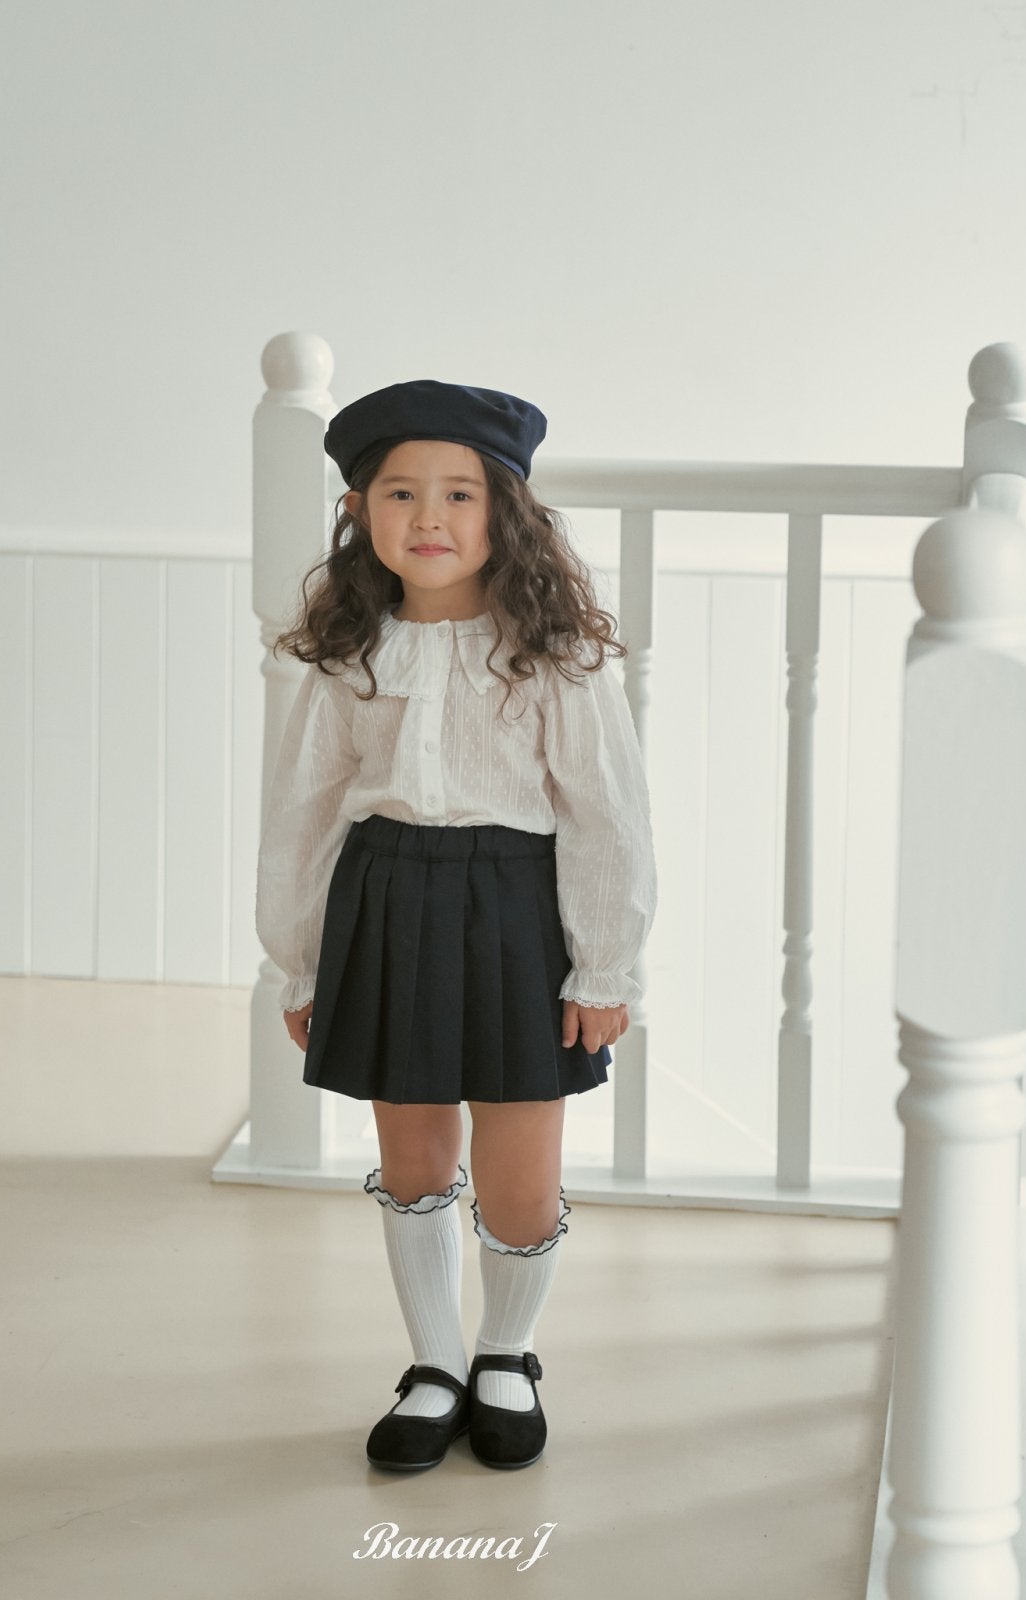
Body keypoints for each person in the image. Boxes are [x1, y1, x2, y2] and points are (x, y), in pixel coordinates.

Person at [255, 378, 656, 1473]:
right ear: (359, 512)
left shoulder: (555, 654)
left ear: (505, 512)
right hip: (386, 907)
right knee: (415, 1156)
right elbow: (301, 815)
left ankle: (505, 1353)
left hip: (519, 914)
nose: (428, 517)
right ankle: (434, 1363)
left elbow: (606, 813)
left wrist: (603, 965)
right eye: (400, 493)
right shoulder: (351, 655)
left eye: (458, 494)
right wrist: (299, 962)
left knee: (519, 1171)